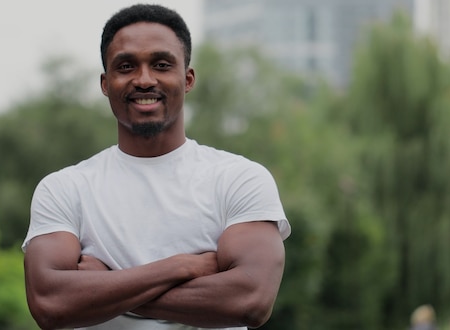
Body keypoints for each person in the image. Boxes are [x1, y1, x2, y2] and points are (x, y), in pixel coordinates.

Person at [22, 4, 291, 330]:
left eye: (162, 65)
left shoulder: (238, 180)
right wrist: (181, 267)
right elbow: (51, 304)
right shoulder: (65, 189)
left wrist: (109, 286)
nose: (144, 79)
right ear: (106, 83)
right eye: (126, 66)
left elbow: (250, 301)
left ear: (187, 78)